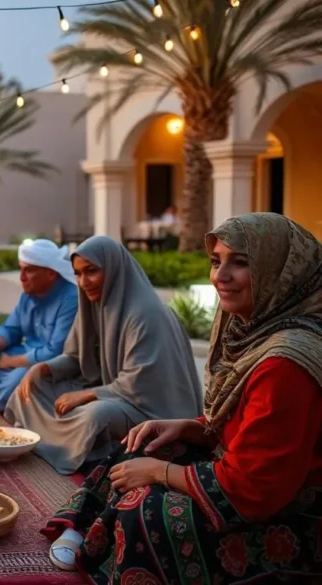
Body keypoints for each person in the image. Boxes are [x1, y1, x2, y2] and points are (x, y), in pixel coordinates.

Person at [44, 213, 322, 583]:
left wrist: (161, 473)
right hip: (242, 472)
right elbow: (245, 419)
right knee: (138, 443)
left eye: (240, 263)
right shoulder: (255, 330)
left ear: (281, 272)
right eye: (216, 261)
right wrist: (192, 428)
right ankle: (86, 529)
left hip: (288, 509)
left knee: (143, 510)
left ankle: (102, 537)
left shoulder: (286, 361)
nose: (220, 276)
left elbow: (255, 489)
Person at [4, 235, 202, 475]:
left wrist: (88, 394)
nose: (83, 281)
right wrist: (42, 369)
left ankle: (90, 451)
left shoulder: (145, 313)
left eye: (91, 271)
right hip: (112, 390)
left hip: (153, 407)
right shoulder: (94, 304)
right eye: (77, 273)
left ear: (113, 269)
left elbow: (139, 382)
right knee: (34, 387)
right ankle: (66, 444)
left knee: (95, 415)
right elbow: (75, 357)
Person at [0, 239, 78, 410]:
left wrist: (12, 361)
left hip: (46, 366)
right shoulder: (29, 295)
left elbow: (55, 351)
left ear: (51, 273)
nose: (21, 277)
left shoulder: (70, 299)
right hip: (23, 353)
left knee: (23, 378)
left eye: (28, 270)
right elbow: (10, 329)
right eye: (21, 269)